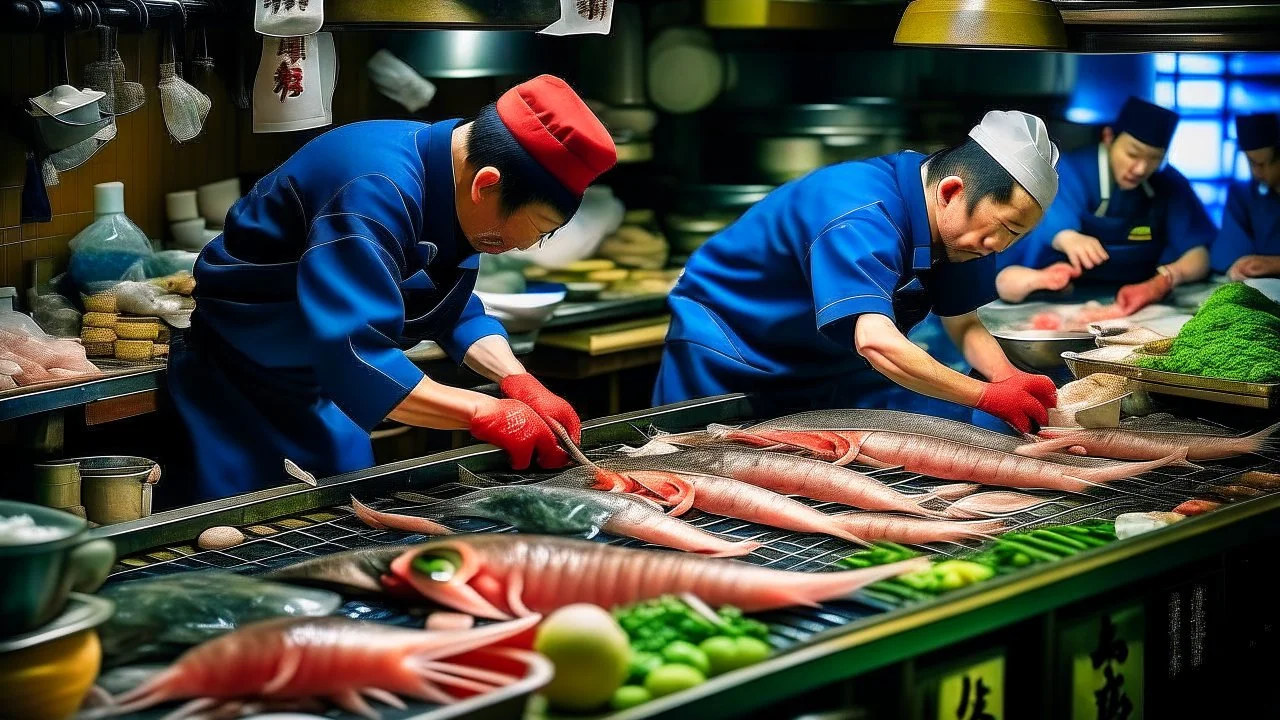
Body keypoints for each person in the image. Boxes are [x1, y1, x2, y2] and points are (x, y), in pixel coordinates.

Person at [168, 75, 616, 500]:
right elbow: (355, 356)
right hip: (239, 383)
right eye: (538, 229)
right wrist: (484, 413)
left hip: (316, 386)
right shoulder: (375, 187)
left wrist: (517, 379)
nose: (525, 246)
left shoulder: (453, 175)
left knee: (347, 511)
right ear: (487, 185)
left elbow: (450, 304)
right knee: (240, 546)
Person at [652, 110, 1061, 434]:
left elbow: (963, 320)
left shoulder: (962, 227)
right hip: (732, 353)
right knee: (697, 482)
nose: (1000, 247)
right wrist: (986, 396)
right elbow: (876, 343)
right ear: (951, 191)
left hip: (823, 362)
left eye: (1016, 236)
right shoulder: (860, 214)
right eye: (1005, 229)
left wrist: (1007, 376)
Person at [995, 97, 1216, 311]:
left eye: (1154, 159)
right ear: (1109, 137)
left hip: (1140, 301)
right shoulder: (1073, 170)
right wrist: (1067, 238)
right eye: (1132, 154)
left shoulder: (1169, 183)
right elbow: (1053, 224)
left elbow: (1198, 253)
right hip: (1067, 300)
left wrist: (1165, 279)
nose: (1140, 169)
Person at [1210, 112, 1280, 279]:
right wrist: (1243, 267)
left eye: (1262, 164)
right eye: (1251, 163)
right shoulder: (1244, 195)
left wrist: (1274, 265)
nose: (1256, 173)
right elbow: (1225, 256)